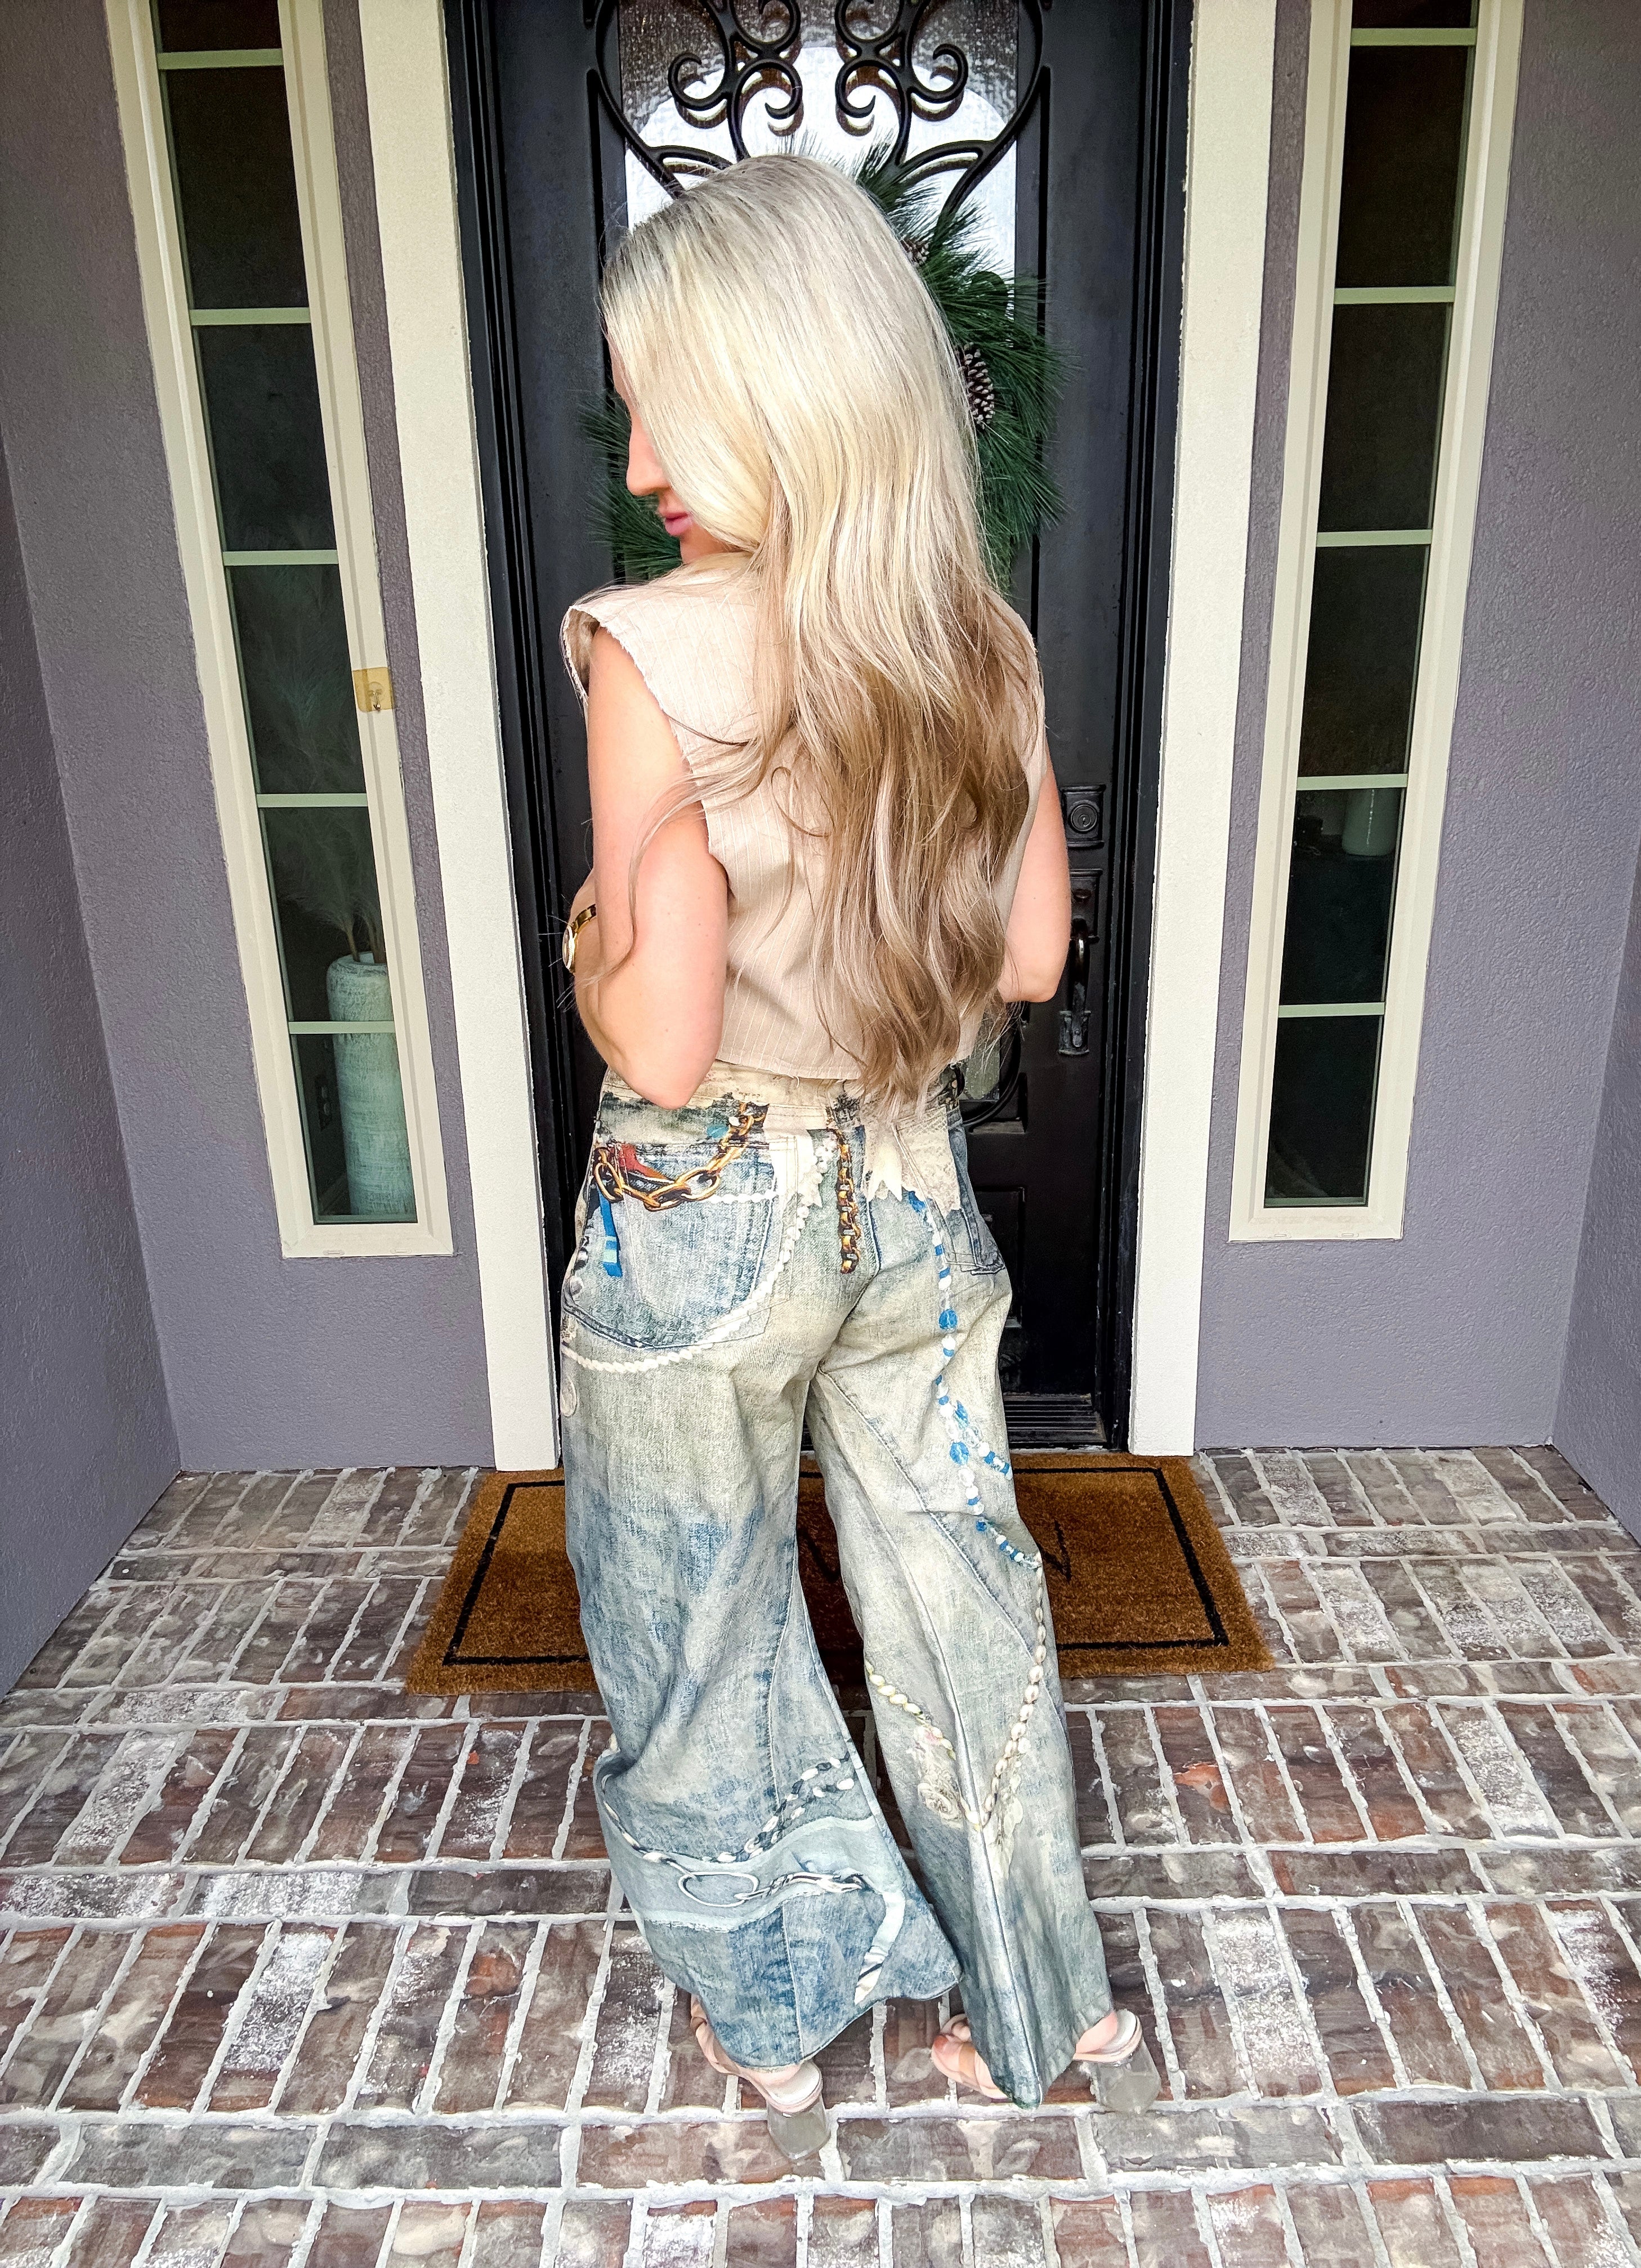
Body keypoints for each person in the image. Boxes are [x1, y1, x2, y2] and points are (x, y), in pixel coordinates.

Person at [556, 153, 1153, 2137]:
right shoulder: (978, 643)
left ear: (778, 394)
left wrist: (597, 926)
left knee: (693, 1607)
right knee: (960, 1591)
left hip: (701, 1200)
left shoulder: (645, 645)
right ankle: (1036, 2008)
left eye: (664, 405)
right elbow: (1033, 957)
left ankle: (774, 2004)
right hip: (908, 1183)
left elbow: (661, 1033)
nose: (640, 460)